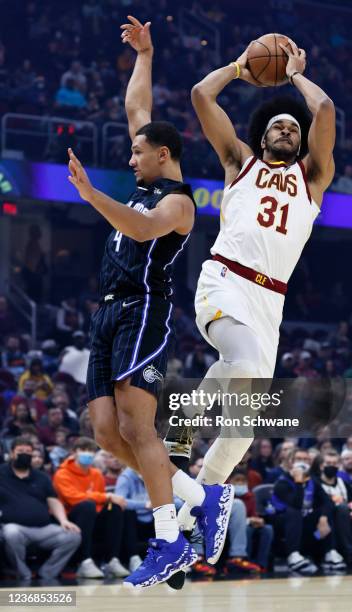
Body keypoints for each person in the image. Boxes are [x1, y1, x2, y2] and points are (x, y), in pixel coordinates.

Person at [66, 16, 233, 589]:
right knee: (105, 432)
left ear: (163, 155)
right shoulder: (146, 173)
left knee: (140, 431)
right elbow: (138, 106)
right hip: (108, 312)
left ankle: (168, 541)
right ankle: (200, 500)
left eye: (139, 153)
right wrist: (146, 54)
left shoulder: (179, 203)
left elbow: (140, 231)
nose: (130, 157)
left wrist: (91, 194)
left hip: (144, 310)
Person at [171, 34, 336, 538]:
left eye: (292, 126)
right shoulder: (238, 163)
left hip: (270, 304)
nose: (286, 129)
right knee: (239, 361)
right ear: (262, 137)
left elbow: (324, 108)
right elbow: (202, 94)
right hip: (225, 278)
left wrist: (294, 76)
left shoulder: (314, 178)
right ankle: (182, 422)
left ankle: (183, 525)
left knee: (242, 428)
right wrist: (240, 66)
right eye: (277, 126)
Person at [0, 437, 81, 582]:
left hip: (43, 528)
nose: (25, 454)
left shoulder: (42, 477)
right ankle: (23, 574)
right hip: (15, 527)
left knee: (73, 536)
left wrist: (63, 520)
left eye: (28, 451)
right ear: (11, 453)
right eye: (20, 451)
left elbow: (53, 501)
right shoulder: (1, 473)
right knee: (10, 533)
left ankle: (47, 573)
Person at [53, 437, 128, 579]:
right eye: (83, 450)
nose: (87, 454)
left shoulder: (96, 473)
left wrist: (103, 498)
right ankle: (84, 562)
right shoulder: (62, 473)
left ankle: (112, 560)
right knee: (88, 505)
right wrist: (106, 496)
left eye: (91, 451)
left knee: (115, 508)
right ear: (74, 453)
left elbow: (98, 501)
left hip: (93, 513)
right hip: (70, 516)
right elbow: (73, 498)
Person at [271, 447, 345, 574]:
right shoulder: (282, 483)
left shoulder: (313, 481)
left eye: (306, 459)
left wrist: (323, 518)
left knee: (324, 511)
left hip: (305, 525)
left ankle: (329, 553)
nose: (303, 462)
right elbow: (296, 504)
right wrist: (298, 481)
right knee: (294, 511)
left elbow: (328, 501)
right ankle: (293, 556)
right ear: (290, 462)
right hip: (284, 523)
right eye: (299, 459)